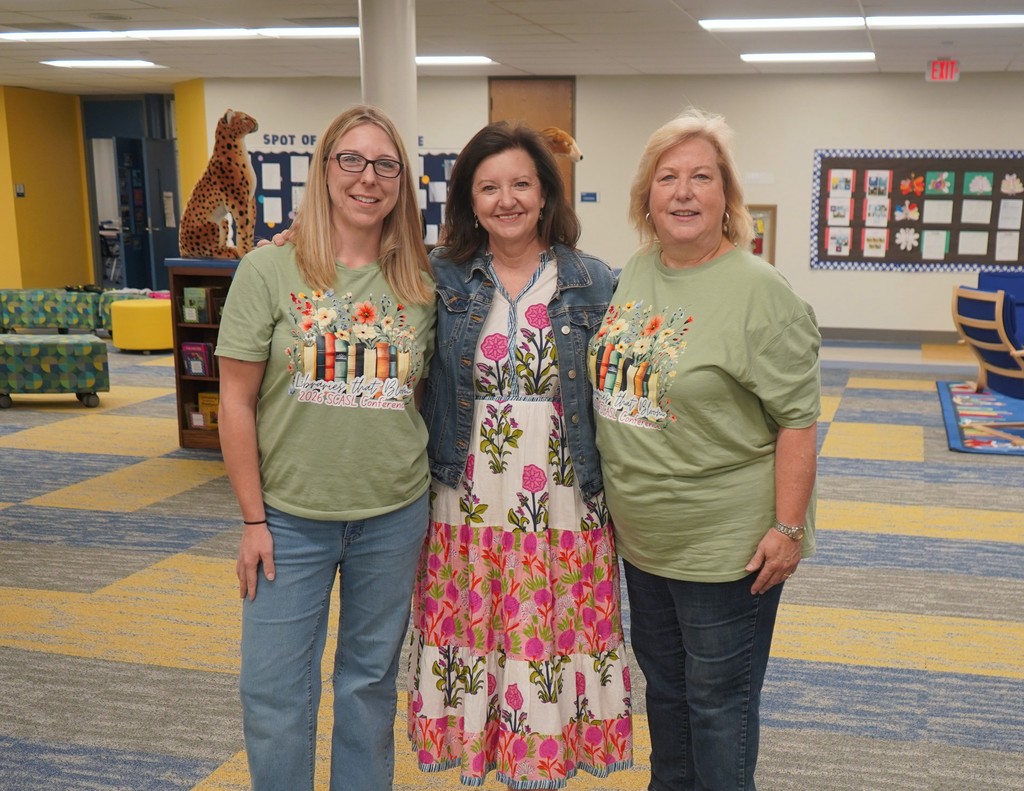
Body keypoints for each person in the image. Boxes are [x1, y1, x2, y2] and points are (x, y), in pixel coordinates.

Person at [590, 107, 820, 791]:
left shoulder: (759, 290)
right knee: (665, 692)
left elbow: (799, 421)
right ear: (647, 198)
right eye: (668, 178)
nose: (684, 192)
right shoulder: (633, 272)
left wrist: (787, 527)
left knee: (719, 707)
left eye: (701, 177)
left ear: (726, 199)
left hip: (728, 545)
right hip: (645, 538)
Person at [215, 104, 436, 791]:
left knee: (368, 686)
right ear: (325, 168)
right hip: (288, 518)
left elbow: (420, 398)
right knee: (275, 691)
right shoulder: (268, 268)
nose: (367, 178)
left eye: (385, 165)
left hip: (393, 516)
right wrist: (252, 518)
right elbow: (234, 401)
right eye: (352, 160)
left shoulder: (421, 283)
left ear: (402, 181)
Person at [409, 122, 633, 788]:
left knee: (549, 635)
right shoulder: (437, 275)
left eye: (520, 184)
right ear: (469, 201)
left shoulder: (595, 280)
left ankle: (544, 761)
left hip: (563, 496)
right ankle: (487, 753)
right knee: (483, 634)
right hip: (468, 495)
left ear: (545, 194)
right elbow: (359, 281)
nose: (505, 199)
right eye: (489, 187)